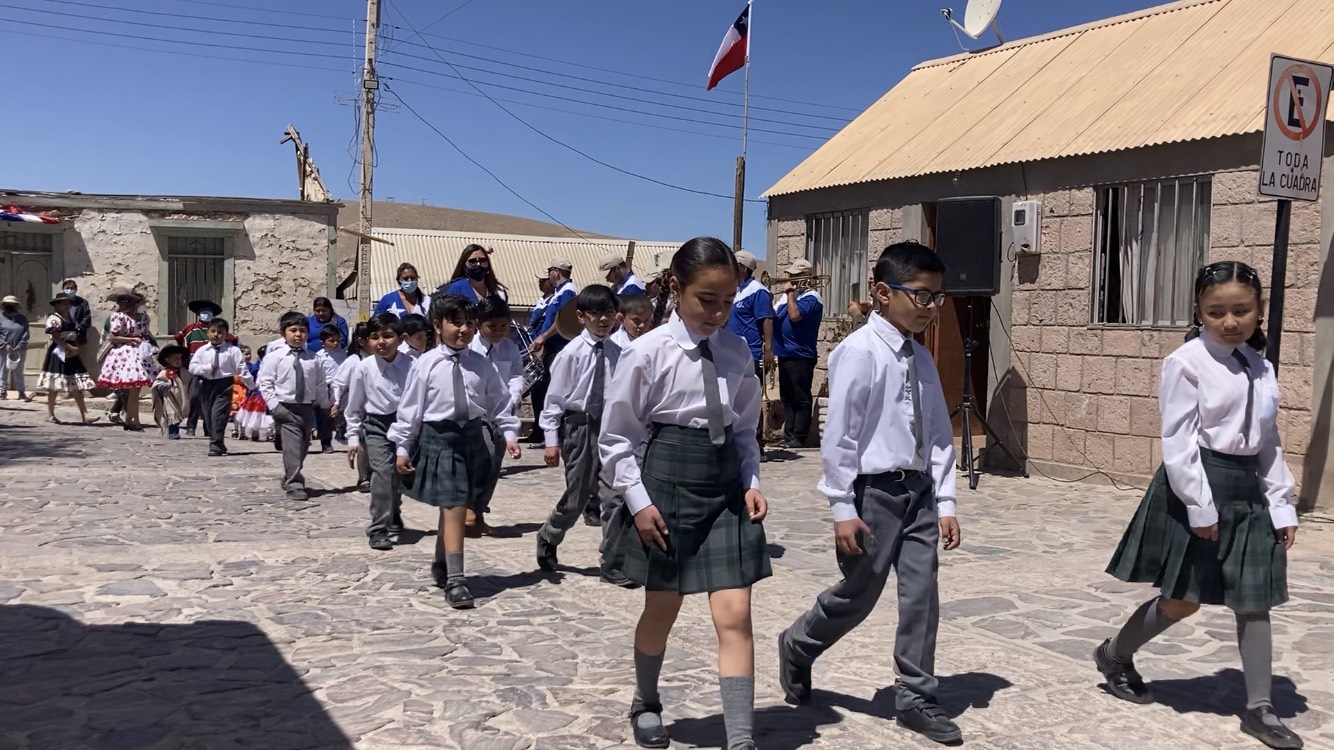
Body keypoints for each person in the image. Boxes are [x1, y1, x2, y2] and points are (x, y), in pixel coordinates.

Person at [1098, 261, 1302, 750]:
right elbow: (1179, 441)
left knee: (1255, 600)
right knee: (1182, 600)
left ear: (1259, 310)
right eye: (1216, 312)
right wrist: (1201, 508)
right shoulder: (1186, 362)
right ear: (1199, 311)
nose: (1229, 321)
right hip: (1199, 484)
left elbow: (1267, 440)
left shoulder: (1260, 365)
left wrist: (1281, 503)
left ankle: (1260, 709)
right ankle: (1115, 654)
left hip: (1248, 490)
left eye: (1241, 310)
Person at [777, 241, 962, 744]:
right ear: (882, 292)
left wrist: (945, 501)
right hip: (872, 494)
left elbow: (939, 434)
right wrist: (842, 506)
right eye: (921, 297)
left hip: (918, 493)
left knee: (922, 594)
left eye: (937, 298)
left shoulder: (921, 358)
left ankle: (916, 695)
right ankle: (798, 643)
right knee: (858, 596)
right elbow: (842, 435)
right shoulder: (858, 352)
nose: (930, 308)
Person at [599, 237, 770, 750]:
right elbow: (618, 437)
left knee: (736, 613)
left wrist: (752, 482)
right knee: (662, 607)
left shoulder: (738, 352)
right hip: (666, 481)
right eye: (707, 300)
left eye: (728, 301)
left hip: (724, 491)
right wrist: (639, 502)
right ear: (676, 289)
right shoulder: (646, 353)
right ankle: (646, 701)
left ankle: (740, 739)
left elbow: (744, 431)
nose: (719, 313)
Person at [389, 294, 520, 610]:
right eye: (455, 322)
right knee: (455, 505)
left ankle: (441, 561)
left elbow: (499, 403)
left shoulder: (481, 364)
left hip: (472, 439)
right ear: (438, 325)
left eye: (469, 323)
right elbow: (410, 410)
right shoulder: (426, 365)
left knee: (455, 506)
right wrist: (403, 447)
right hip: (440, 439)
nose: (463, 329)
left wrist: (510, 433)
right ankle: (457, 580)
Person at [536, 285, 622, 571]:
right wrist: (551, 440)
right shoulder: (571, 354)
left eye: (609, 313)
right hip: (580, 427)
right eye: (595, 313)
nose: (602, 320)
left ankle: (613, 559)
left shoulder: (619, 352)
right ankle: (550, 534)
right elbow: (555, 400)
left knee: (615, 494)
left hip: (610, 427)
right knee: (577, 497)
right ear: (582, 316)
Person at [345, 314, 413, 551]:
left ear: (400, 338)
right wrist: (353, 437)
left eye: (387, 336)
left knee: (399, 475)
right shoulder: (363, 369)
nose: (381, 342)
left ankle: (393, 511)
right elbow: (353, 406)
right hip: (376, 426)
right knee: (382, 473)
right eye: (375, 337)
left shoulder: (412, 365)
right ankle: (378, 528)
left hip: (406, 426)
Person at [468, 295, 525, 536]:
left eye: (503, 326)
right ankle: (467, 508)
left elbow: (516, 376)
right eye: (492, 327)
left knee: (495, 464)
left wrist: (512, 398)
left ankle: (478, 512)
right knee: (484, 456)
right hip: (476, 412)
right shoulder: (469, 348)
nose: (498, 331)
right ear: (479, 324)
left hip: (503, 412)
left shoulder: (511, 349)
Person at [259, 311, 331, 501]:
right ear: (284, 333)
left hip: (306, 407)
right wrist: (275, 406)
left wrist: (326, 405)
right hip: (285, 406)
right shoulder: (275, 357)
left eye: (302, 331)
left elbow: (320, 384)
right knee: (292, 446)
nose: (298, 335)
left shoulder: (314, 359)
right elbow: (265, 383)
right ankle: (295, 483)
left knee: (304, 445)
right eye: (293, 331)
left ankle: (290, 473)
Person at [772, 258, 824, 448]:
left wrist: (790, 294)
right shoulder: (787, 297)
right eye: (791, 276)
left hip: (801, 354)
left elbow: (795, 317)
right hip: (785, 352)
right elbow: (774, 315)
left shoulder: (812, 297)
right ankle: (789, 435)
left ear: (806, 277)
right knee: (787, 396)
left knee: (800, 396)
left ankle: (799, 436)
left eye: (795, 276)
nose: (791, 279)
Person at [187, 318, 251, 457]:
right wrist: (207, 368)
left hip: (224, 384)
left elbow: (241, 369)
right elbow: (192, 367)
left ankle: (215, 445)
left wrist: (251, 384)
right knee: (208, 416)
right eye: (213, 331)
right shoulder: (202, 350)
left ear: (226, 334)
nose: (216, 335)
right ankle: (218, 441)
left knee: (218, 415)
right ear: (207, 333)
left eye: (220, 332)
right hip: (207, 384)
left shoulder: (232, 351)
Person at [97, 288, 155, 432]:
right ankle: (132, 419)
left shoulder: (143, 318)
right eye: (141, 303)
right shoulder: (119, 317)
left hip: (139, 354)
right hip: (124, 355)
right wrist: (132, 339)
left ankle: (132, 418)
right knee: (131, 389)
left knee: (136, 389)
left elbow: (146, 334)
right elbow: (112, 337)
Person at [38, 294, 97, 425]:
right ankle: (50, 414)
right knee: (54, 386)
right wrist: (69, 347)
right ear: (57, 305)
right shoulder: (54, 318)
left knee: (76, 383)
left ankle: (85, 415)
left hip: (71, 352)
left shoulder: (70, 317)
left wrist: (74, 348)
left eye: (68, 303)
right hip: (59, 352)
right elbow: (55, 337)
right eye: (64, 303)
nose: (67, 306)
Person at [175, 299, 229, 436]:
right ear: (198, 313)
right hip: (196, 369)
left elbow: (231, 340)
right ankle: (191, 425)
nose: (206, 314)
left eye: (209, 312)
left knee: (211, 399)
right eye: (203, 312)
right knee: (196, 397)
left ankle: (208, 428)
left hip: (215, 370)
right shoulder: (190, 329)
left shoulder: (216, 330)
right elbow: (179, 340)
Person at [337, 323, 374, 493]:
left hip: (377, 407)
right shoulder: (353, 361)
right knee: (363, 444)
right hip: (359, 407)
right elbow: (339, 383)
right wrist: (336, 402)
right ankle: (364, 477)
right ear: (361, 341)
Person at [526, 274, 555, 445]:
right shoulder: (542, 300)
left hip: (545, 350)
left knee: (544, 392)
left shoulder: (556, 299)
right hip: (534, 349)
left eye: (543, 279)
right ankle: (537, 429)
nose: (539, 282)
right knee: (536, 392)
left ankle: (544, 432)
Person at [315, 325, 349, 453]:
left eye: (337, 340)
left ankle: (343, 435)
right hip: (327, 388)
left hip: (341, 387)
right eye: (331, 341)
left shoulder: (343, 354)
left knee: (343, 414)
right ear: (323, 342)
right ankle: (326, 442)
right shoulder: (319, 357)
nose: (335, 343)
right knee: (327, 416)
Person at [151, 344, 194, 440]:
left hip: (181, 398)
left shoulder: (185, 372)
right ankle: (172, 432)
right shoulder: (164, 373)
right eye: (175, 358)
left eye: (180, 358)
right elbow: (157, 383)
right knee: (172, 414)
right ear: (167, 360)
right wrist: (163, 386)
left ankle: (176, 429)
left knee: (179, 414)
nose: (178, 360)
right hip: (169, 398)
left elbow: (190, 382)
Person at [440, 244, 508, 303]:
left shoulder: (499, 291)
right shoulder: (456, 289)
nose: (478, 264)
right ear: (464, 265)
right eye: (472, 261)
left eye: (482, 260)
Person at [236, 345, 273, 442]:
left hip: (266, 392)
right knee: (255, 414)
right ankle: (253, 432)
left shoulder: (270, 364)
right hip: (256, 393)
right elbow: (251, 374)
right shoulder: (256, 366)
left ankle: (266, 432)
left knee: (263, 414)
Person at [1, 295, 31, 401]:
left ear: (16, 306)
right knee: (3, 370)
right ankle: (2, 391)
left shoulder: (22, 319)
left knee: (19, 371)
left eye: (12, 304)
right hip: (4, 349)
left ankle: (21, 393)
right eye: (7, 304)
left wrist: (19, 346)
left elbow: (26, 333)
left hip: (19, 349)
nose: (9, 306)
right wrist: (5, 345)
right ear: (3, 305)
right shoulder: (0, 318)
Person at [60, 279, 92, 348]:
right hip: (62, 338)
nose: (69, 290)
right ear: (63, 289)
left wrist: (77, 330)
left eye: (72, 288)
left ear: (76, 289)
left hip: (78, 339)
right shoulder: (59, 303)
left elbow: (87, 319)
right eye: (67, 288)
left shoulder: (82, 303)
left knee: (76, 357)